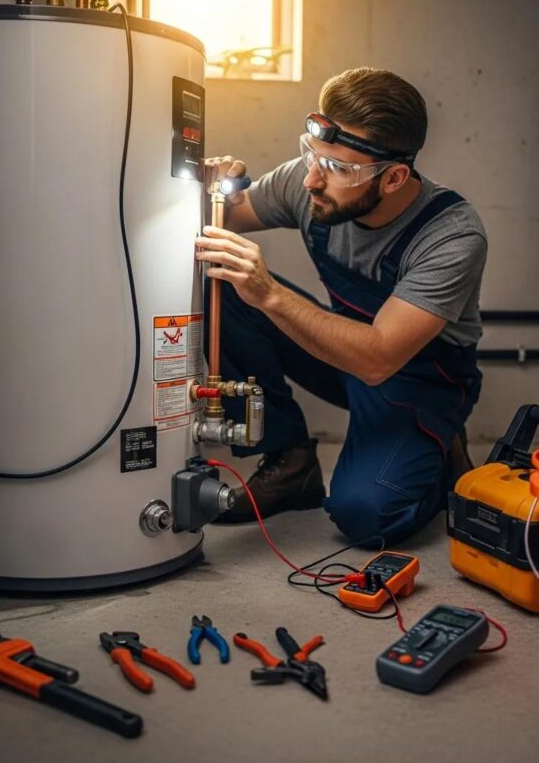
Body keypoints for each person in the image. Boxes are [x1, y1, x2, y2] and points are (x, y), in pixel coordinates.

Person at [196, 67, 486, 545]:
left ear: (393, 177)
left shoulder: (451, 235)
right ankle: (291, 461)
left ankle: (441, 452)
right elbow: (220, 218)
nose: (312, 179)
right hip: (341, 352)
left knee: (366, 516)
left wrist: (269, 292)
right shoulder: (309, 182)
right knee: (222, 276)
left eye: (338, 169)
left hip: (418, 378)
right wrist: (210, 184)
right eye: (312, 155)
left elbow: (379, 359)